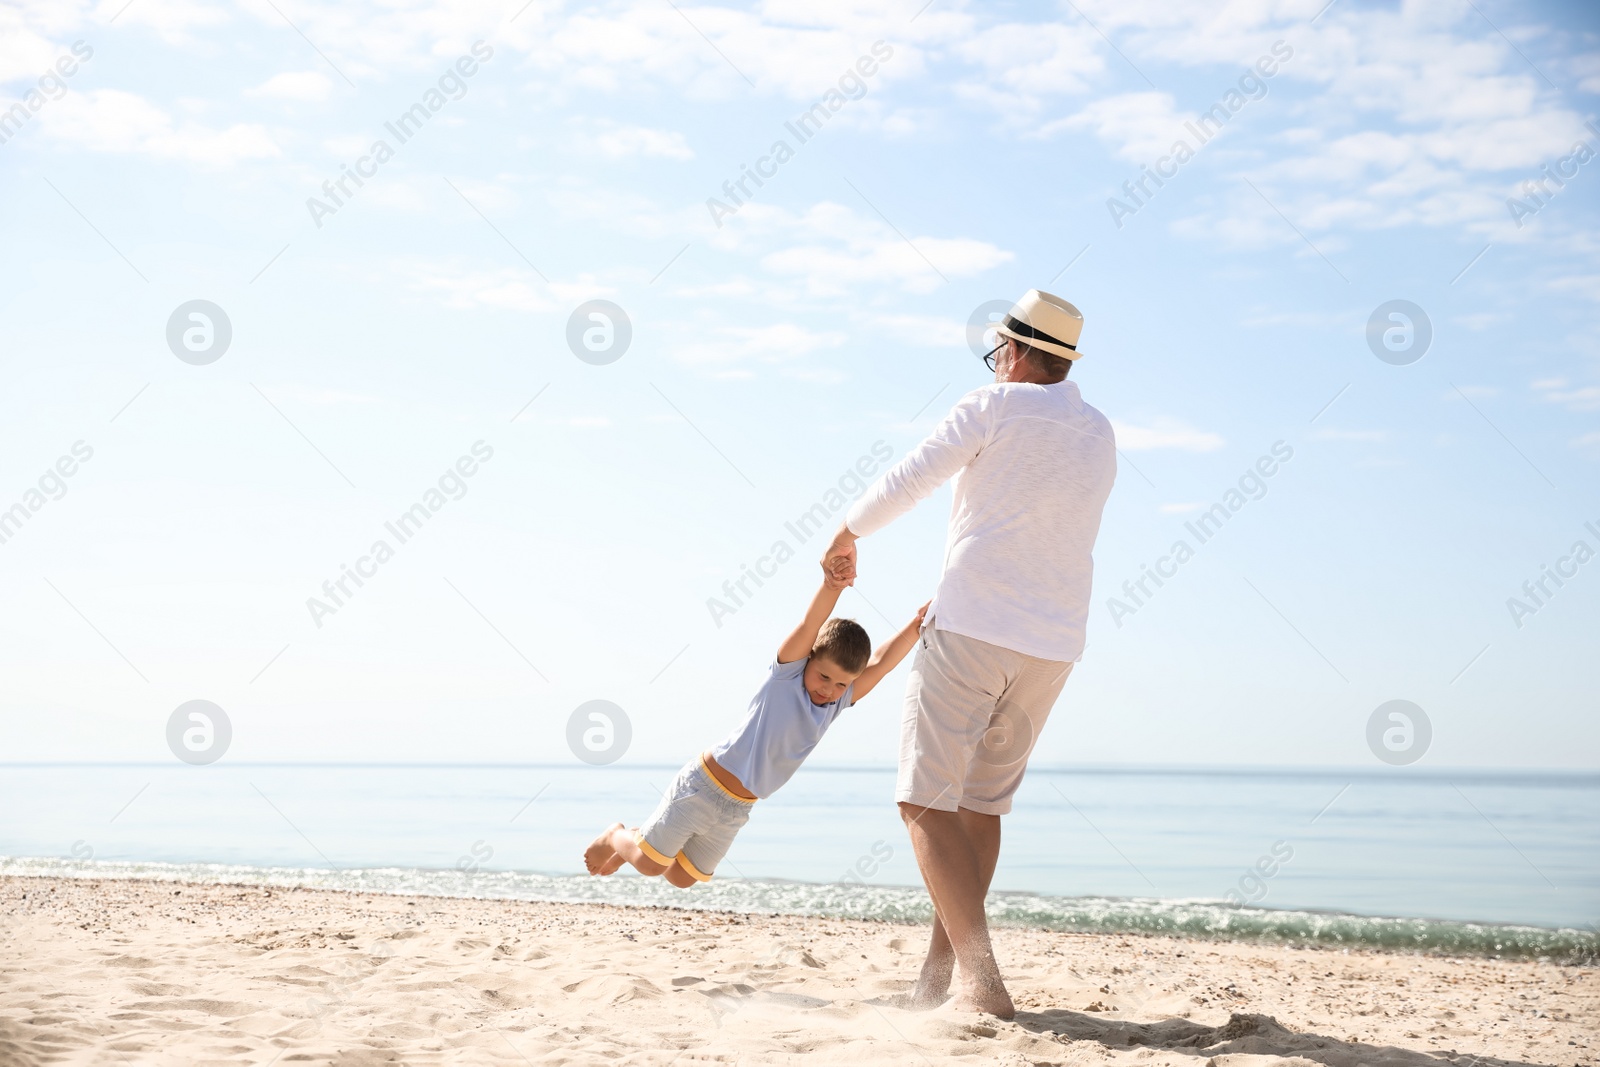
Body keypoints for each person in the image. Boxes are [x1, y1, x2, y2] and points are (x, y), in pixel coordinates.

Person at [822, 289, 1117, 1018]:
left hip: (974, 628)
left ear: (1016, 352)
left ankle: (983, 982)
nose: (995, 368)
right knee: (980, 804)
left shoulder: (992, 407)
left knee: (923, 799)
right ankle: (939, 975)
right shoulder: (1098, 430)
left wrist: (846, 530)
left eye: (998, 355)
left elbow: (913, 478)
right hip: (1053, 644)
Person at [584, 562, 928, 887]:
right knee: (651, 866)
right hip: (704, 787)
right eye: (823, 676)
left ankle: (637, 841)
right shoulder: (787, 675)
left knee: (681, 878)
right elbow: (811, 625)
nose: (829, 689)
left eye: (841, 684)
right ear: (809, 658)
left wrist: (916, 626)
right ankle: (616, 835)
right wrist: (832, 586)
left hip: (738, 807)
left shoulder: (837, 703)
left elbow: (881, 664)